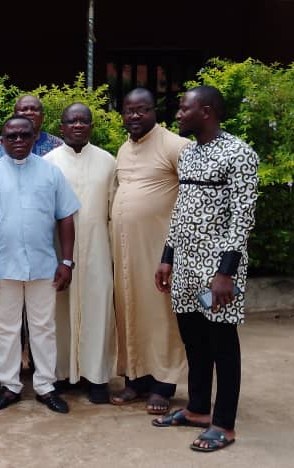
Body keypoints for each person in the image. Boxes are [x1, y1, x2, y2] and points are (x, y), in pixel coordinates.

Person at [152, 86, 258, 453]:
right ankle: (197, 409)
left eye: (184, 109)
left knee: (223, 344)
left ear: (207, 112)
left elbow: (242, 220)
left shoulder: (240, 154)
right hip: (184, 264)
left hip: (218, 268)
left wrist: (226, 272)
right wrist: (167, 256)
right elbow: (181, 211)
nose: (178, 115)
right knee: (194, 340)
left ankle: (224, 424)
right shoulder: (189, 155)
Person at [0, 115, 80, 414]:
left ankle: (45, 386)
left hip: (44, 266)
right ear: (1, 140)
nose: (18, 141)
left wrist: (67, 261)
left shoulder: (51, 173)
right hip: (3, 267)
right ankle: (9, 386)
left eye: (24, 136)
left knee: (43, 327)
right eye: (11, 137)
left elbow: (65, 217)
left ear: (34, 138)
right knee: (6, 328)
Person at [109, 88, 189, 415]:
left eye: (142, 110)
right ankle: (136, 379)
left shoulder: (174, 145)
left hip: (158, 252)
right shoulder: (123, 149)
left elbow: (192, 199)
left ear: (155, 111)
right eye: (129, 111)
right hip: (124, 252)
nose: (135, 116)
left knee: (160, 316)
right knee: (129, 311)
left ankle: (163, 384)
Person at [44, 103, 117, 404]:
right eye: (71, 121)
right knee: (58, 311)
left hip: (98, 247)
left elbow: (115, 209)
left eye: (83, 121)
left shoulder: (108, 161)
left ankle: (96, 376)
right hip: (58, 248)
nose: (77, 125)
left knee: (98, 308)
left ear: (91, 126)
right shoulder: (48, 162)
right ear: (61, 128)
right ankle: (61, 374)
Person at [0, 95, 64, 166]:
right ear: (14, 116)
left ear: (42, 117)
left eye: (34, 109)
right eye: (24, 109)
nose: (29, 112)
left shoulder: (58, 146)